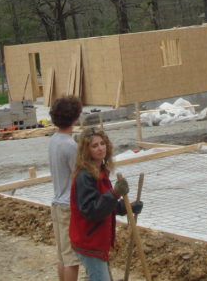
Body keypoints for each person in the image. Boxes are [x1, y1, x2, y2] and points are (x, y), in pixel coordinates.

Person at [69, 128, 143, 281]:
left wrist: (126, 207)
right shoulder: (85, 176)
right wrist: (115, 194)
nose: (100, 148)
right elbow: (92, 211)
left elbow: (106, 205)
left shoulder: (101, 170)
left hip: (98, 239)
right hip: (89, 241)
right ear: (86, 150)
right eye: (94, 146)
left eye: (102, 143)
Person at [48, 96, 82, 281]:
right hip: (68, 206)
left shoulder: (54, 140)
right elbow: (79, 175)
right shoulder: (70, 145)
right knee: (71, 259)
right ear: (75, 117)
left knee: (62, 256)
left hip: (57, 203)